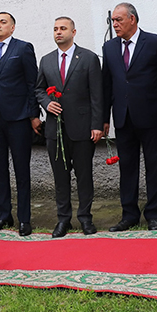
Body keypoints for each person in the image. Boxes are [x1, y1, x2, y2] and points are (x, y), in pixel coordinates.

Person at [101, 3, 157, 232]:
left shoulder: (155, 42)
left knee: (154, 166)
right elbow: (107, 84)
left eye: (119, 20)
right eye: (113, 21)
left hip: (151, 117)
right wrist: (104, 118)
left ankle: (153, 215)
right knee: (127, 168)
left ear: (132, 19)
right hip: (123, 118)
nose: (115, 24)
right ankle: (129, 215)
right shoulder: (109, 48)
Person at [35, 17, 103, 237]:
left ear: (74, 31)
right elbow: (39, 90)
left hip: (82, 128)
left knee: (84, 176)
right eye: (55, 29)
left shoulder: (89, 58)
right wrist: (47, 103)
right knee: (60, 179)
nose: (58, 32)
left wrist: (96, 124)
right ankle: (63, 220)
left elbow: (97, 95)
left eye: (63, 28)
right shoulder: (45, 60)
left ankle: (85, 218)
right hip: (55, 130)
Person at [0, 12, 41, 236]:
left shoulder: (23, 48)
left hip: (18, 118)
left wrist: (34, 115)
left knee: (21, 170)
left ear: (12, 28)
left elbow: (32, 83)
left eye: (3, 22)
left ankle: (24, 219)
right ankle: (4, 215)